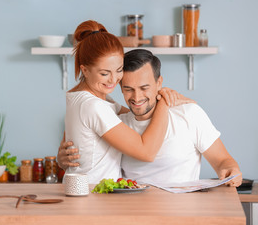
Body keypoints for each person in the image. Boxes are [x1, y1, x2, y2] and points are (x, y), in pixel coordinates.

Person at [59, 49, 242, 187]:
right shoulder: (117, 121)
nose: (137, 98)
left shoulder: (188, 114)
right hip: (132, 216)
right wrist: (62, 158)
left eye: (144, 88)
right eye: (128, 89)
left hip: (182, 213)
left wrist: (230, 170)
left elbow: (222, 160)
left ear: (159, 83)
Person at [63, 20, 193, 184]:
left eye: (118, 70)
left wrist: (181, 102)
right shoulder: (94, 106)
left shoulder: (81, 98)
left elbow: (137, 113)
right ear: (85, 70)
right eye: (104, 73)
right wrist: (164, 101)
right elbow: (147, 152)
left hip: (86, 191)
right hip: (92, 196)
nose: (113, 80)